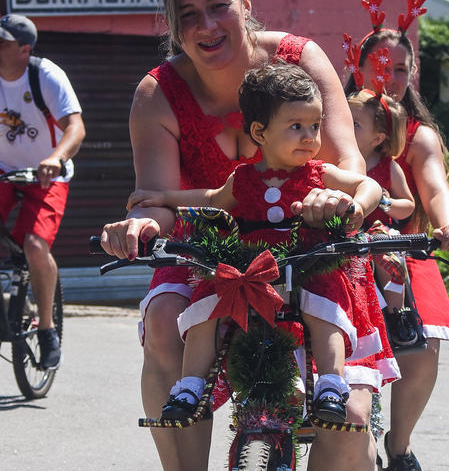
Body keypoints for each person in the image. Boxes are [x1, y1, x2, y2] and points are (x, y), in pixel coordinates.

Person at [101, 0, 393, 471]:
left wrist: (343, 203)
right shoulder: (156, 95)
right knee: (166, 326)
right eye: (187, 14)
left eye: (218, 5)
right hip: (210, 253)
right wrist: (140, 228)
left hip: (311, 244)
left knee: (350, 410)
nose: (206, 24)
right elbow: (157, 205)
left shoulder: (299, 60)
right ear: (171, 25)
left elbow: (352, 172)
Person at [128, 61, 384, 424]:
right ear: (259, 132)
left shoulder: (318, 173)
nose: (311, 137)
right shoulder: (244, 178)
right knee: (207, 301)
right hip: (251, 267)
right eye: (296, 126)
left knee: (323, 303)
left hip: (305, 261)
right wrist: (161, 197)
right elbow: (212, 199)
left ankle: (330, 383)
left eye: (314, 125)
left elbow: (368, 185)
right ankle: (189, 386)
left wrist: (357, 206)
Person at [344, 0, 449, 471]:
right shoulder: (333, 122)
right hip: (339, 246)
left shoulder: (417, 135)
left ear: (411, 72)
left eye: (400, 69)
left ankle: (399, 445)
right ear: (358, 68)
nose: (390, 78)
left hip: (401, 250)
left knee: (424, 349)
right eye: (380, 67)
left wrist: (447, 227)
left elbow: (436, 189)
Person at [0, 13, 85, 369]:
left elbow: (75, 128)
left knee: (36, 245)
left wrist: (55, 158)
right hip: (4, 172)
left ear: (24, 49)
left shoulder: (45, 75)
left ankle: (47, 329)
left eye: (2, 43)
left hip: (46, 175)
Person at [346, 84, 415, 320]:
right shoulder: (335, 160)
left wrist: (385, 202)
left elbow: (408, 205)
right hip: (346, 229)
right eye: (344, 118)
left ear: (377, 138)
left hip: (376, 229)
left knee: (387, 253)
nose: (346, 126)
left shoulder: (387, 166)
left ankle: (399, 316)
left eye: (355, 124)